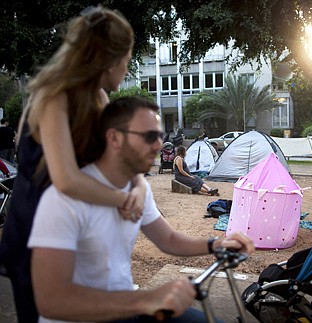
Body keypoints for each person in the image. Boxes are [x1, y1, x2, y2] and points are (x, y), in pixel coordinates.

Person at [28, 96, 255, 323]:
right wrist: (145, 300)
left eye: (158, 135)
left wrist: (215, 244)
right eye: (148, 136)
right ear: (114, 138)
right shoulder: (62, 200)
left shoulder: (138, 187)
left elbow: (167, 239)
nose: (158, 145)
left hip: (126, 309)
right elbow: (50, 301)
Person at [0, 7, 147, 323]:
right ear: (109, 59)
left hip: (73, 228)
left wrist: (138, 184)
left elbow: (121, 157)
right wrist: (124, 199)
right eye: (127, 58)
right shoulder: (53, 97)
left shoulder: (99, 98)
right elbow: (65, 179)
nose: (127, 66)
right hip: (35, 231)